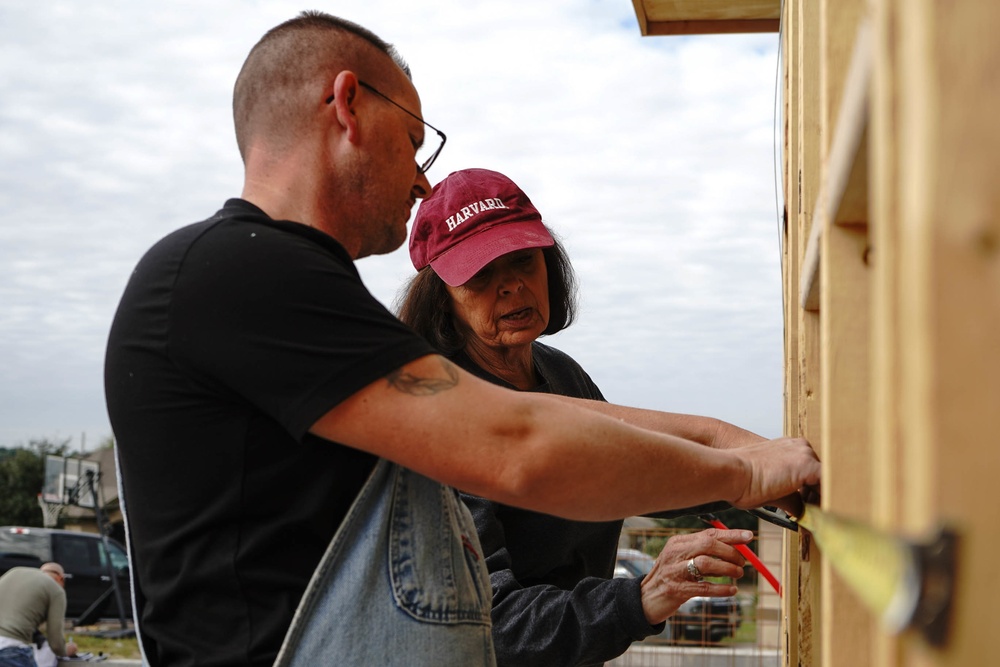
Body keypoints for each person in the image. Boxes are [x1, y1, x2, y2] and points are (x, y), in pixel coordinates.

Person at [103, 11, 820, 667]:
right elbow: (516, 443)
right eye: (414, 139)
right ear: (347, 104)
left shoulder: (287, 290)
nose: (420, 179)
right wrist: (743, 476)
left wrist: (733, 442)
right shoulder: (241, 272)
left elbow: (561, 418)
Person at [397, 167, 772, 665]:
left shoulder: (563, 374)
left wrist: (765, 481)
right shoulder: (437, 417)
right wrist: (642, 597)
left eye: (523, 261)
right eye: (481, 275)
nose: (510, 287)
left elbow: (633, 467)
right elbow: (491, 622)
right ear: (443, 297)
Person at [0, 564, 77, 667]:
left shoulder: (14, 572)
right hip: (11, 649)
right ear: (61, 578)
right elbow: (55, 643)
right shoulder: (56, 590)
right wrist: (66, 651)